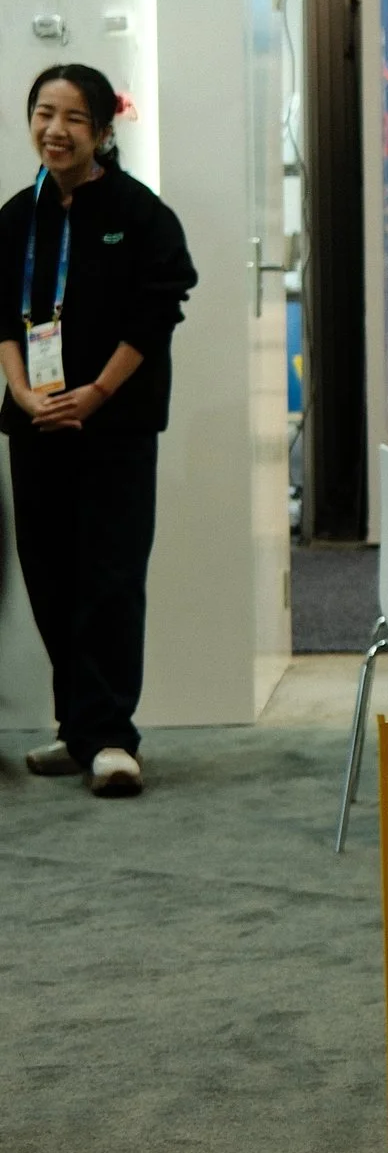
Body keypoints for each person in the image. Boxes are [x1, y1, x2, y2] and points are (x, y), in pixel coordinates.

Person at [2, 65, 197, 797]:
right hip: (37, 427)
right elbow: (4, 321)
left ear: (104, 130)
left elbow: (156, 313)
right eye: (43, 113)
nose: (55, 130)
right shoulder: (17, 217)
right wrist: (24, 395)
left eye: (73, 117)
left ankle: (113, 735)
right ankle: (78, 727)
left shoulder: (139, 214)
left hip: (113, 428)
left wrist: (95, 393)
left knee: (109, 579)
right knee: (50, 577)